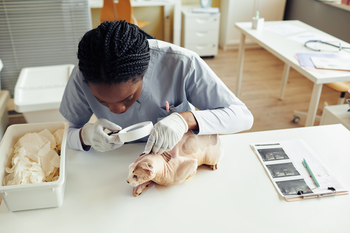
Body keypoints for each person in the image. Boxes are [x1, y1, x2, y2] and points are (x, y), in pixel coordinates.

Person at [59, 20, 254, 154]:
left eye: (128, 98)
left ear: (146, 70)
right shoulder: (82, 74)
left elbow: (242, 117)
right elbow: (62, 134)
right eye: (101, 101)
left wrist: (185, 120)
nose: (116, 110)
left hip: (176, 156)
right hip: (115, 165)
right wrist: (84, 136)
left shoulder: (182, 63)